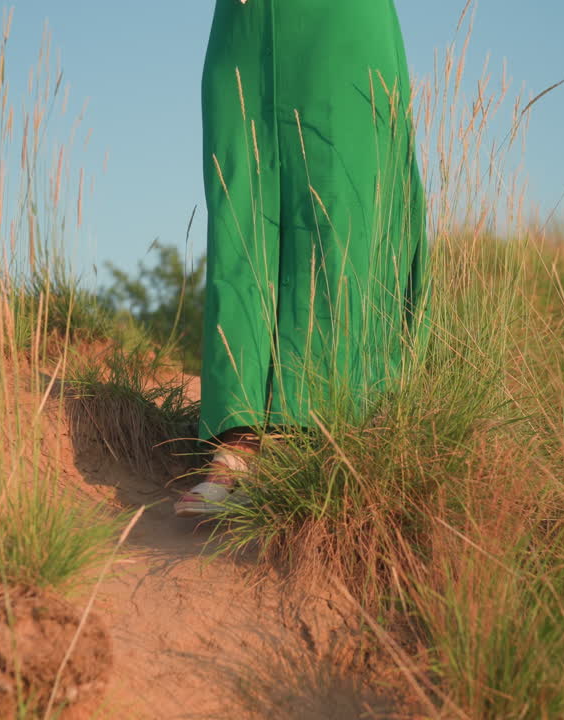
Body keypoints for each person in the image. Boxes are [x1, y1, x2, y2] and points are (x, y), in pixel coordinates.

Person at [175, 0, 429, 517]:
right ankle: (237, 440)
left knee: (338, 210)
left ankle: (314, 436)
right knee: (240, 208)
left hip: (338, 24)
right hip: (246, 26)